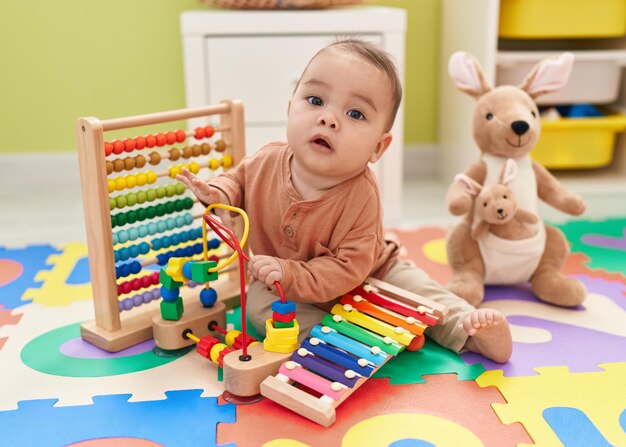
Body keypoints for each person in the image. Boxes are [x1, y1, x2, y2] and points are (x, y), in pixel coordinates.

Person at [178, 39, 512, 363]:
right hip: (283, 283)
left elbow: (347, 269)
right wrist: (219, 193)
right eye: (315, 100)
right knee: (258, 308)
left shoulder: (362, 195)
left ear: (378, 148)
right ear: (291, 108)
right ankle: (346, 340)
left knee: (422, 294)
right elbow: (237, 180)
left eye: (355, 113)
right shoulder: (266, 160)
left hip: (371, 274)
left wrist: (290, 271)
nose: (329, 118)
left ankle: (470, 330)